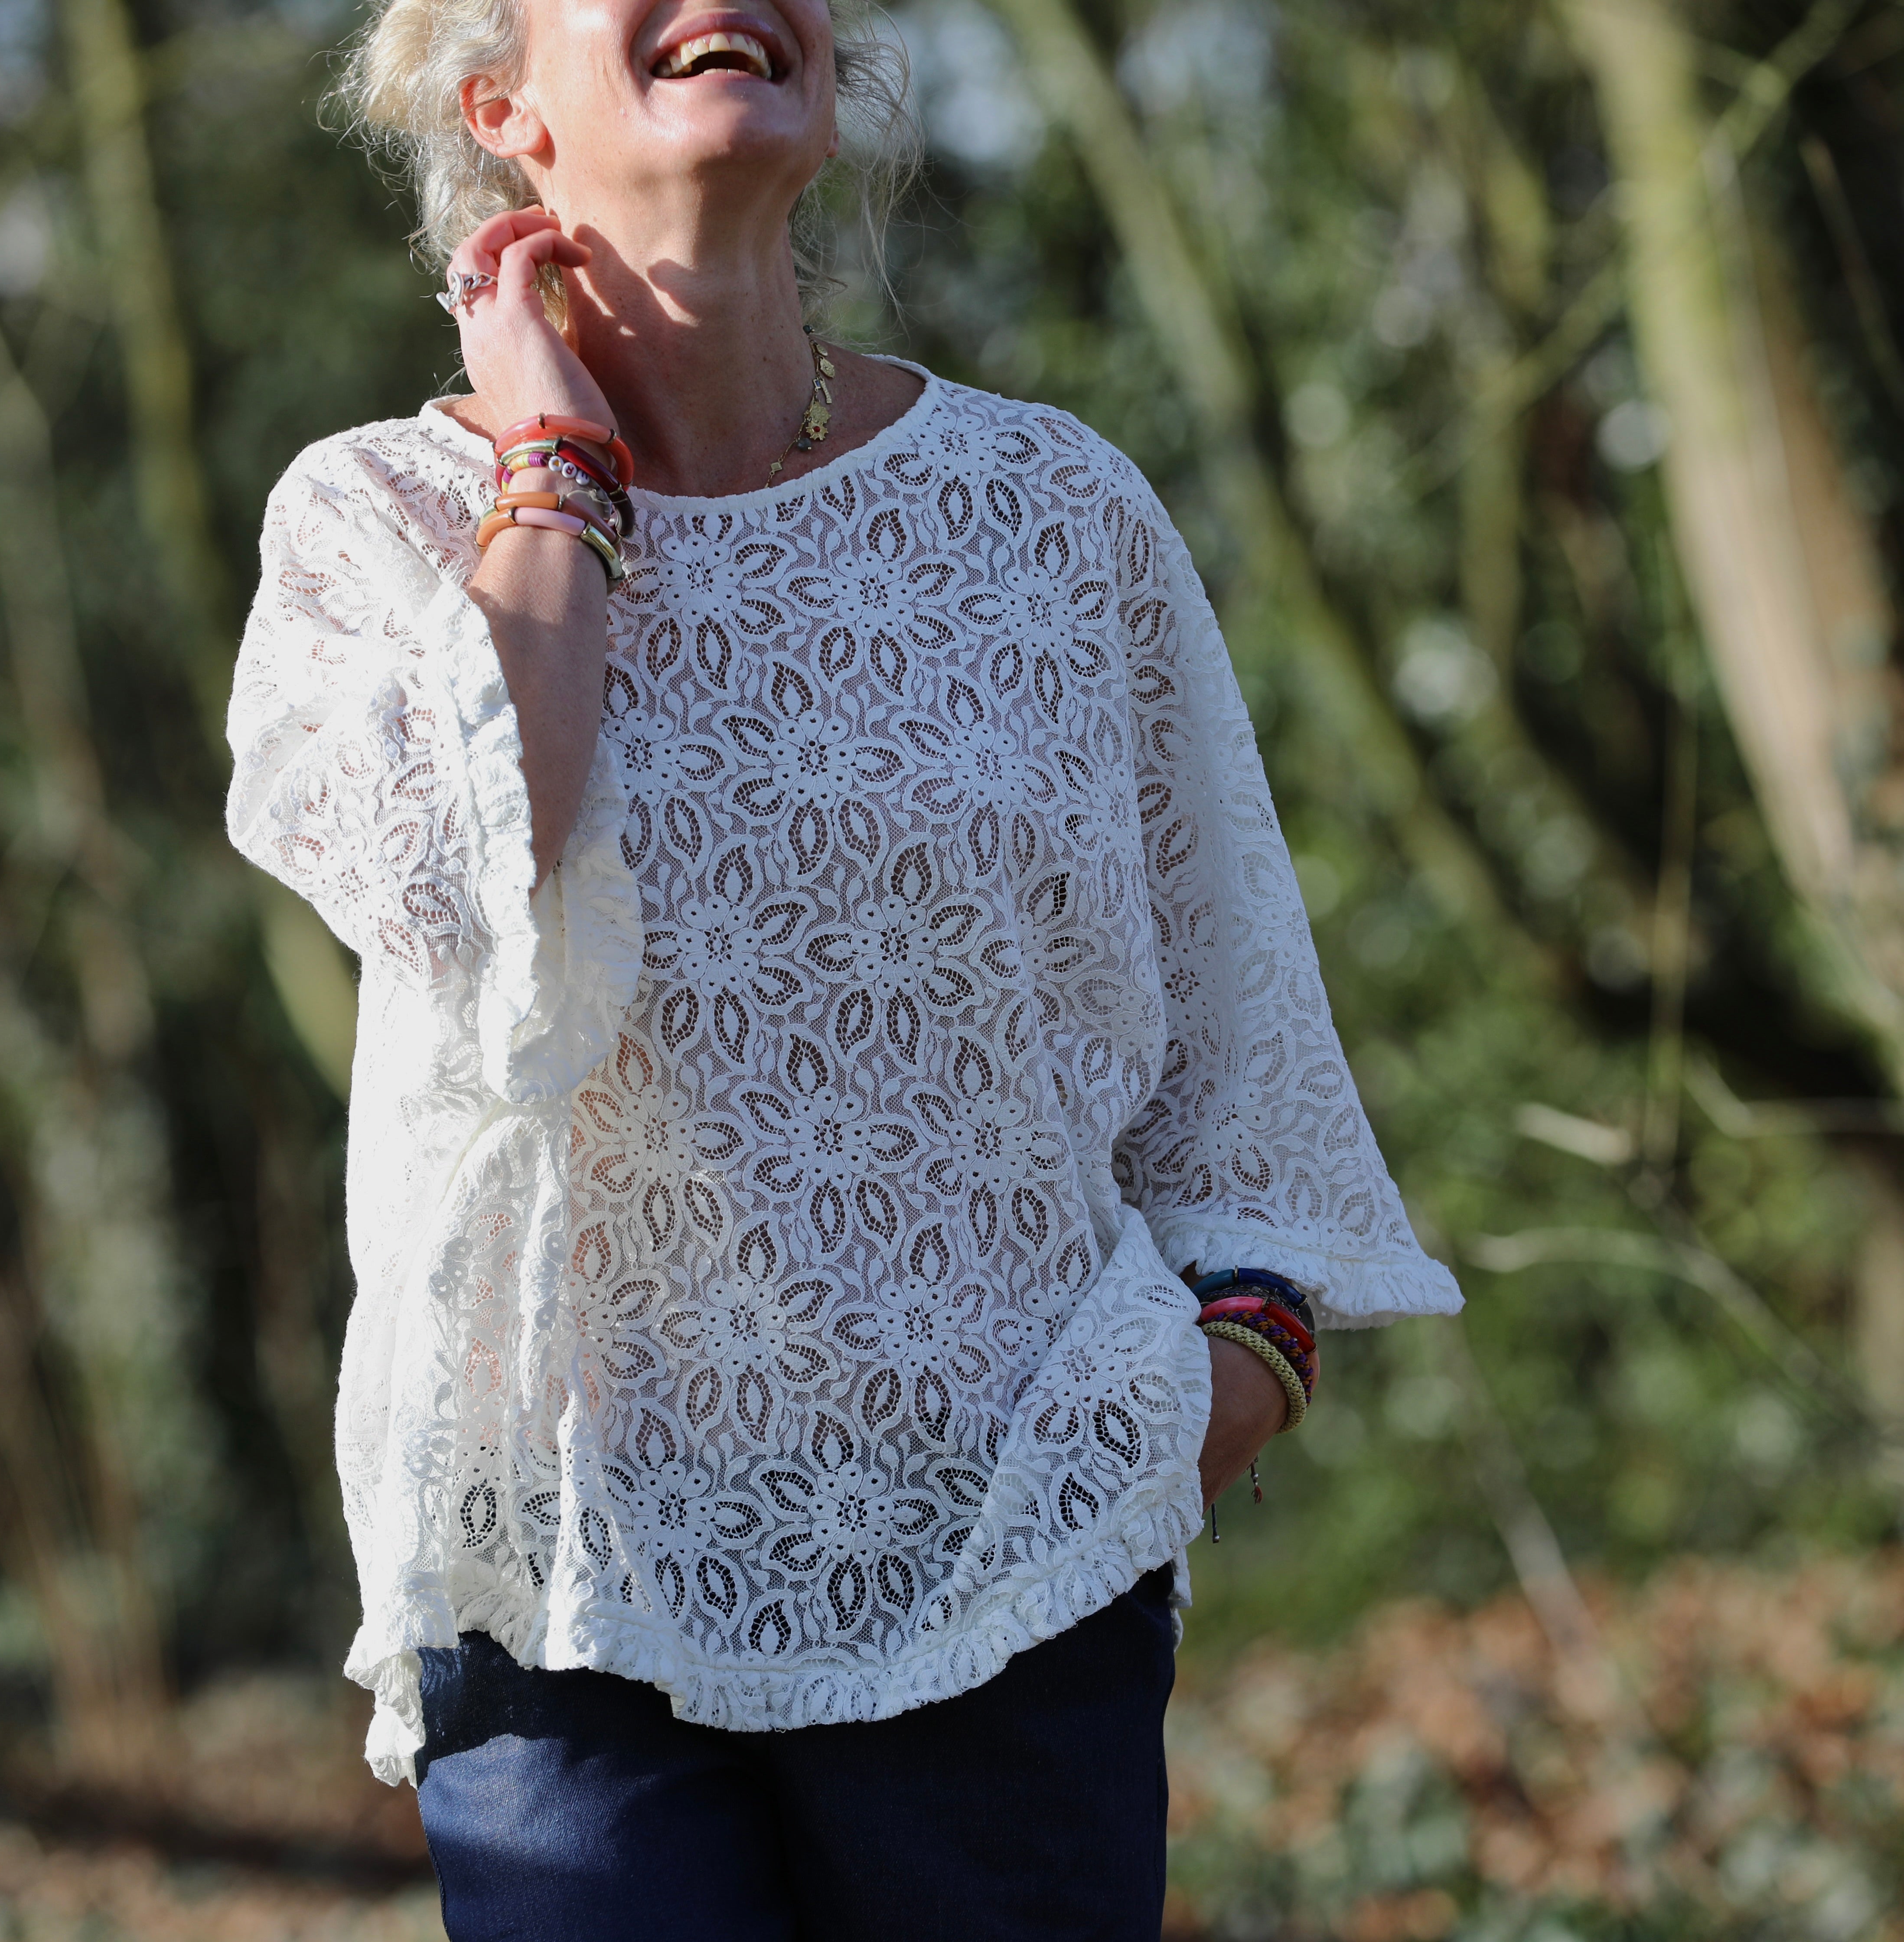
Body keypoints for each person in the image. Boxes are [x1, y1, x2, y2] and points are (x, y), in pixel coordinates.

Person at [224, 0, 1462, 1932]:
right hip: (567, 1589)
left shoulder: (1053, 513)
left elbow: (1243, 1048)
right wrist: (553, 464)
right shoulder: (371, 521)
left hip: (1021, 1568)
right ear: (501, 108)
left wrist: (1209, 1392)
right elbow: (457, 885)